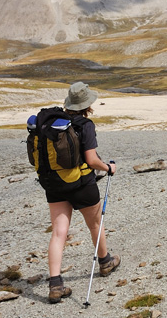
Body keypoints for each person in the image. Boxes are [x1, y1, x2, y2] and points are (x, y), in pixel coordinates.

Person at [44, 81, 120, 304]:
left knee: (59, 232)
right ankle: (105, 262)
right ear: (87, 104)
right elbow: (91, 160)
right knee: (95, 223)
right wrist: (108, 167)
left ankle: (55, 284)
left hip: (54, 183)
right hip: (81, 184)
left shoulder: (52, 123)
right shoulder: (84, 124)